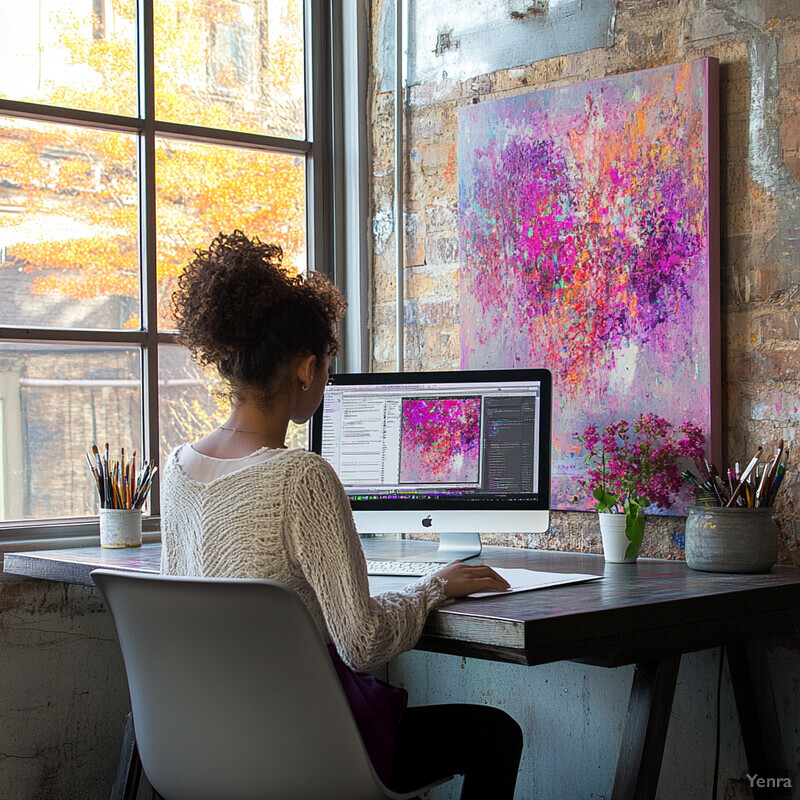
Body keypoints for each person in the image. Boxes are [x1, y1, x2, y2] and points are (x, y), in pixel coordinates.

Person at [162, 230, 523, 798]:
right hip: (302, 751)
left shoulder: (176, 470)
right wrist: (432, 588)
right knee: (494, 734)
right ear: (306, 370)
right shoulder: (301, 477)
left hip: (207, 745)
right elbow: (363, 643)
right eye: (327, 367)